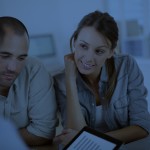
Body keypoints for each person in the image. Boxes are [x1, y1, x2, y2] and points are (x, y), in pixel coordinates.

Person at [54, 10, 150, 146]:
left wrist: (93, 139)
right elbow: (74, 137)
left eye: (99, 51)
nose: (88, 58)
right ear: (74, 42)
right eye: (83, 46)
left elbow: (142, 127)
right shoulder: (61, 81)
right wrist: (70, 79)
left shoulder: (126, 65)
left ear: (111, 52)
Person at [0, 16, 57, 146]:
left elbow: (44, 133)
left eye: (21, 58)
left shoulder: (34, 69)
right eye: (5, 56)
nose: (13, 68)